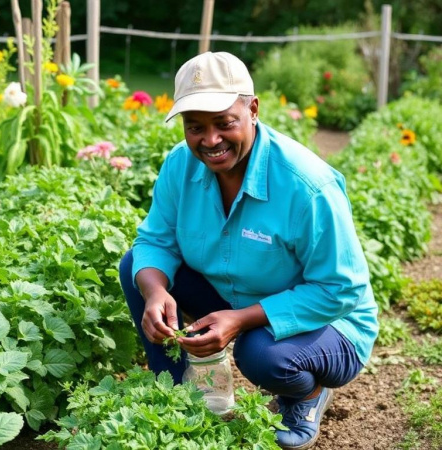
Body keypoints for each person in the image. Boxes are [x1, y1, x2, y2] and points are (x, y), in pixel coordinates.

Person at [119, 51, 379, 450]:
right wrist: (155, 292)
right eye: (195, 127)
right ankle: (171, 395)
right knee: (137, 267)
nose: (210, 141)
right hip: (235, 297)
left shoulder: (307, 186)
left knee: (260, 355)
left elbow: (341, 289)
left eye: (225, 123)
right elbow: (155, 241)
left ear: (252, 109)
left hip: (330, 324)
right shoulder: (180, 166)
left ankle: (306, 397)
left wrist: (239, 321)